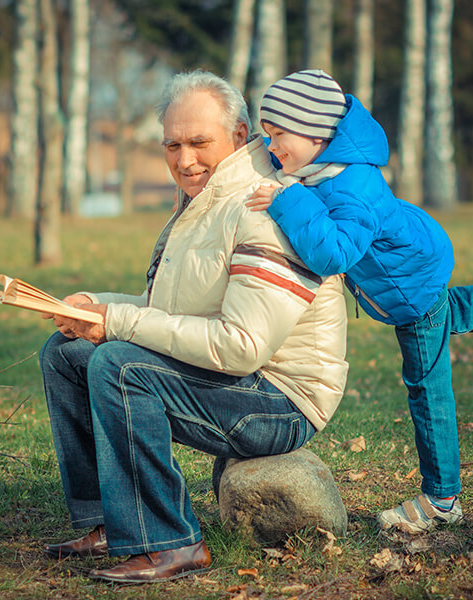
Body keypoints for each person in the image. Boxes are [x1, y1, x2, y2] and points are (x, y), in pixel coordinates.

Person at [246, 69, 473, 535]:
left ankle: (442, 498)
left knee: (428, 389)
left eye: (277, 135)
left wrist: (286, 199)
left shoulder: (350, 186)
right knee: (451, 312)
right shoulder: (319, 165)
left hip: (408, 285)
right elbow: (294, 176)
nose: (271, 147)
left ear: (313, 130)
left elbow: (333, 253)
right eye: (266, 136)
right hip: (416, 269)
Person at [38, 70, 349, 584]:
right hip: (236, 379)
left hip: (282, 399)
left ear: (242, 133)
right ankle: (104, 522)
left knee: (119, 364)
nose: (185, 160)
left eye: (200, 143)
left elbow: (242, 347)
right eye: (172, 144)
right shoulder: (201, 202)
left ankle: (169, 542)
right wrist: (97, 307)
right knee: (67, 353)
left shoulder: (264, 205)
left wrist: (117, 323)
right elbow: (175, 310)